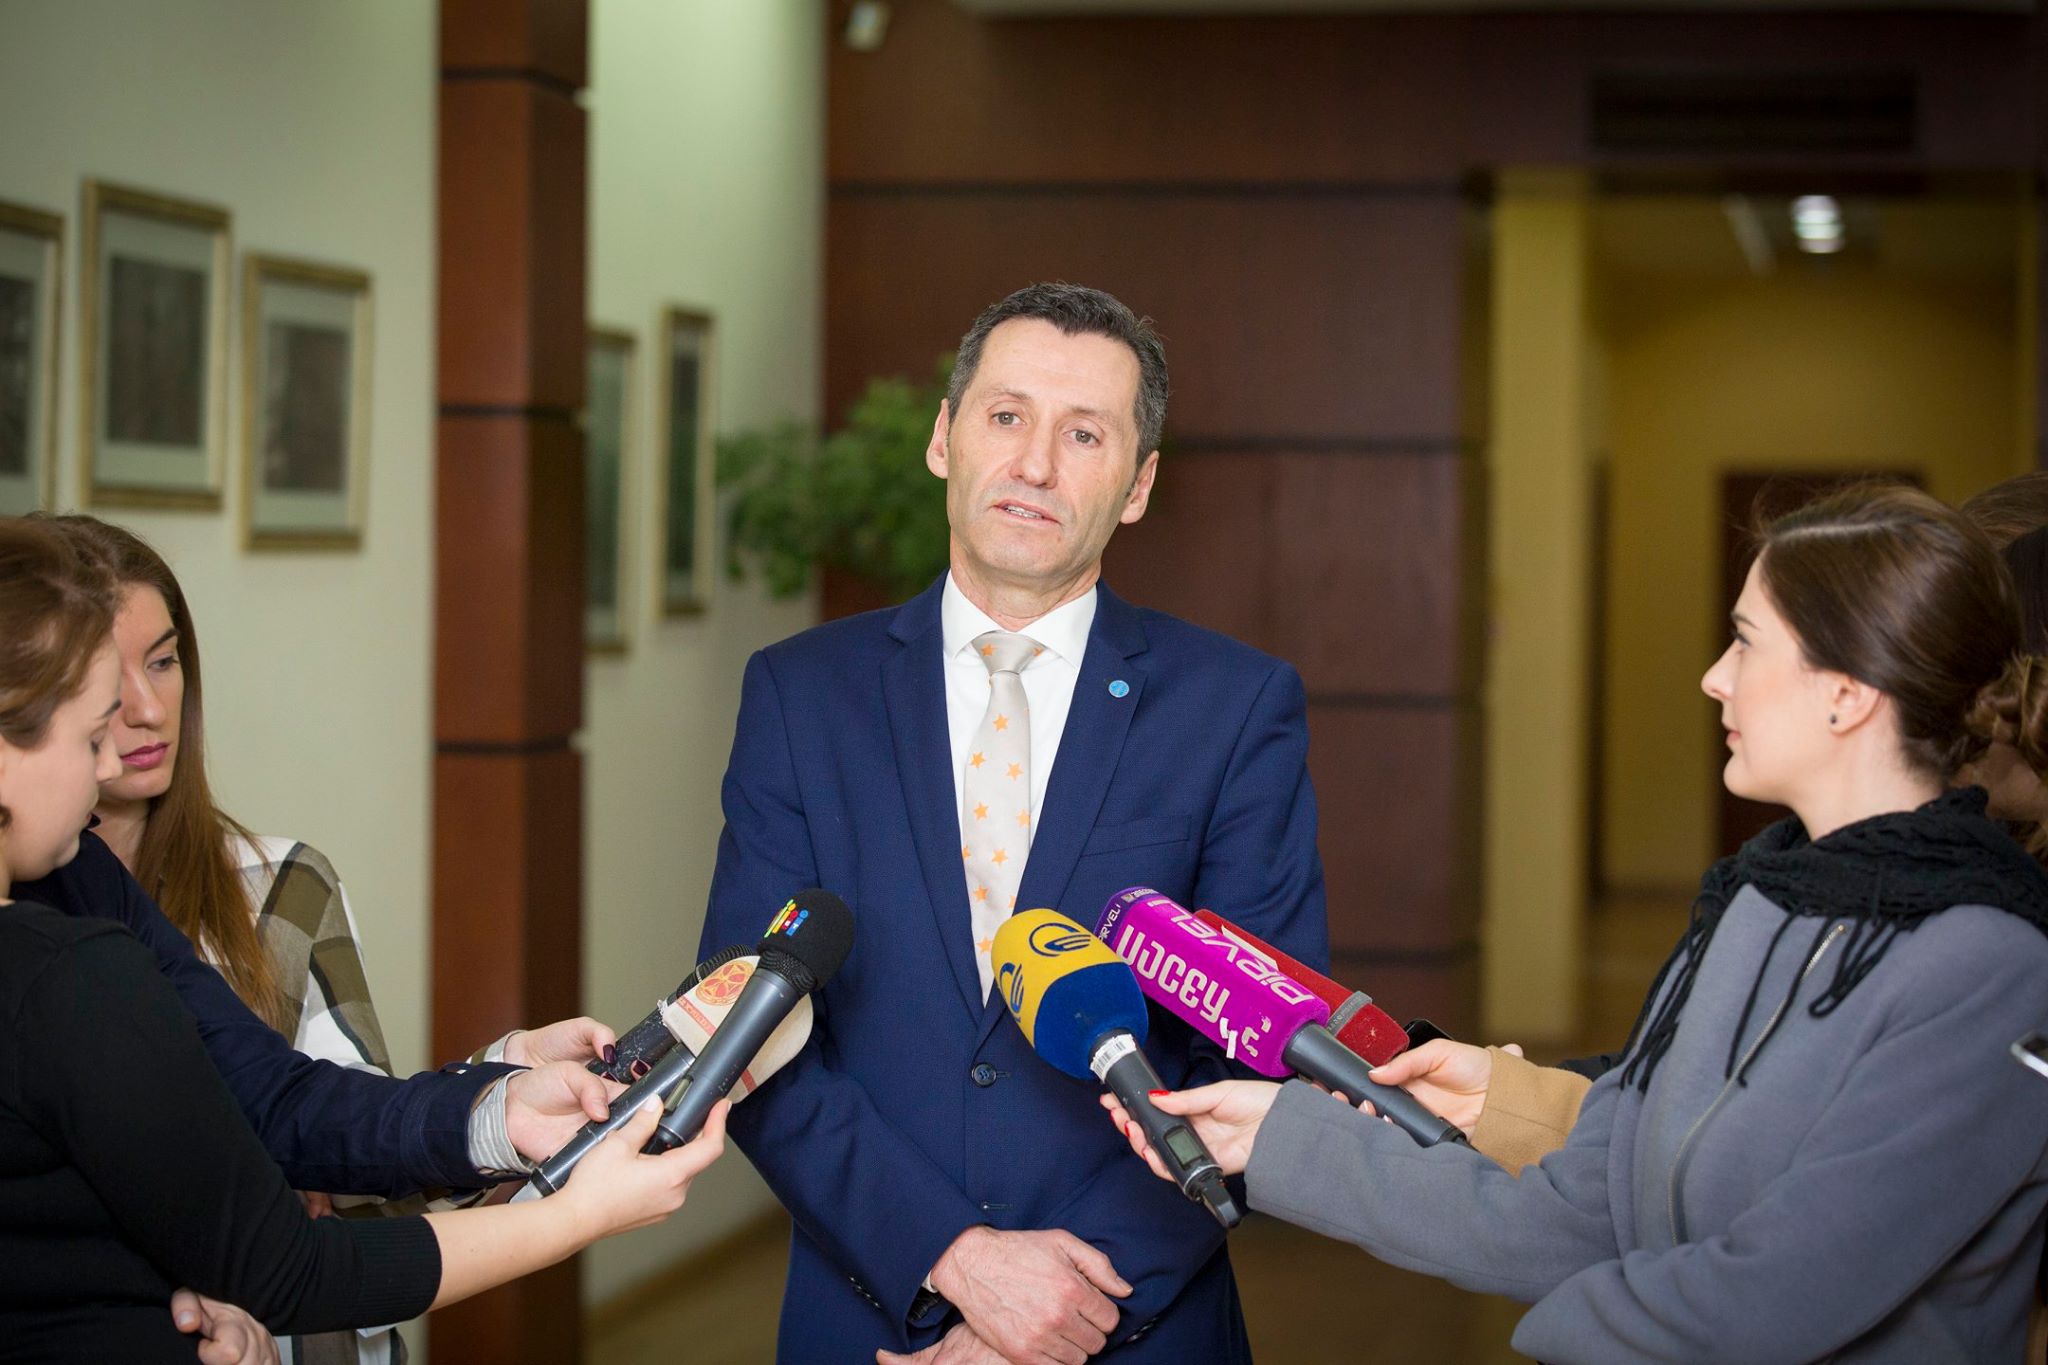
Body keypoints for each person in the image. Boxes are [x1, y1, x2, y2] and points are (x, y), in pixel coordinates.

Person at [1112, 484, 2048, 1362]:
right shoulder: (1756, 902)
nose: (1714, 678)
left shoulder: (1994, 966)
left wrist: (1543, 1336)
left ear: (1846, 693)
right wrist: (1278, 1135)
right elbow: (1582, 1212)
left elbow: (1778, 1294)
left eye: (1746, 643)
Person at [696, 282, 1329, 1365]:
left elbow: (1259, 1060)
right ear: (945, 438)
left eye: (1083, 434)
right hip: (873, 1312)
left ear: (1137, 485)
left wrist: (1055, 1311)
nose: (1034, 464)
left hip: (1134, 1322)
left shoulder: (1232, 709)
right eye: (1005, 416)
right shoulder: (802, 695)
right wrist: (950, 1258)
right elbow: (744, 1024)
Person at [0, 517, 732, 1361]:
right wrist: (575, 1215)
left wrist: (495, 1113)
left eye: (162, 663)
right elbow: (289, 1266)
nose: (119, 746)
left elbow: (272, 1094)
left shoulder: (97, 881)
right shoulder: (76, 974)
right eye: (92, 733)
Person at [1369, 469, 2048, 1174]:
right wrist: (1503, 1098)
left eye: (1748, 642)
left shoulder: (1978, 947)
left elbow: (1754, 1207)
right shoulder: (1779, 889)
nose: (1715, 678)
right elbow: (1684, 1117)